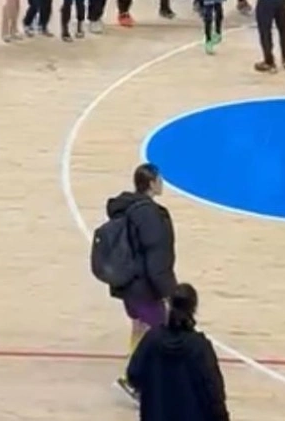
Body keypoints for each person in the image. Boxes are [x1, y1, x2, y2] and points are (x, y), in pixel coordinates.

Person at [107, 164, 177, 402]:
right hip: (145, 286)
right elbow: (156, 258)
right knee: (157, 332)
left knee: (139, 327)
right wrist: (169, 292)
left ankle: (132, 373)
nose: (162, 183)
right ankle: (135, 381)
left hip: (127, 283)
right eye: (160, 179)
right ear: (151, 184)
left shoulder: (125, 208)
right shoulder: (151, 215)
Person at [126, 283, 230, 421]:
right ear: (193, 309)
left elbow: (133, 376)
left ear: (169, 306)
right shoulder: (199, 347)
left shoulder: (151, 340)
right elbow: (214, 393)